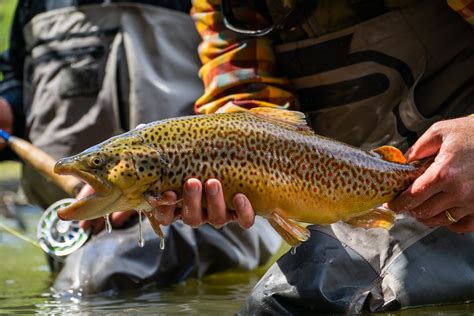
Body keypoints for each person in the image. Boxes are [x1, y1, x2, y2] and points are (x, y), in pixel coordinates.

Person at [148, 0, 474, 313]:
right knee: (119, 272)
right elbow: (242, 98)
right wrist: (229, 173)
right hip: (363, 187)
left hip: (458, 183)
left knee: (293, 304)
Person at [0, 0, 281, 294]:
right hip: (79, 228)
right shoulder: (33, 5)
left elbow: (255, 85)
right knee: (86, 284)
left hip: (210, 221)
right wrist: (9, 109)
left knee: (94, 284)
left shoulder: (211, 5)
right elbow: (21, 80)